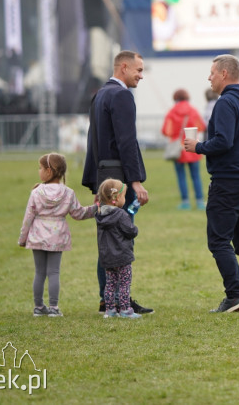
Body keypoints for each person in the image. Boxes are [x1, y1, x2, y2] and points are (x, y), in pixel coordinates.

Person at [184, 54, 239, 313]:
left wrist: (198, 146)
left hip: (228, 181)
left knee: (218, 241)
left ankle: (235, 296)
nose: (209, 77)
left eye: (212, 72)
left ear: (225, 74)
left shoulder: (226, 103)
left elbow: (224, 141)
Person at [81, 50, 152, 314]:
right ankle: (121, 300)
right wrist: (135, 182)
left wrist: (95, 183)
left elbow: (93, 142)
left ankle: (106, 299)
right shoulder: (122, 95)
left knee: (106, 239)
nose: (141, 76)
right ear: (123, 67)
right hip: (120, 179)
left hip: (103, 177)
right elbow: (126, 142)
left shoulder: (99, 95)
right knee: (121, 239)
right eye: (139, 70)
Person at [18, 152, 97, 317]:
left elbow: (28, 217)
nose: (38, 171)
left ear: (49, 171)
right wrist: (96, 208)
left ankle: (38, 307)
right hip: (58, 237)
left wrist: (23, 238)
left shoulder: (36, 193)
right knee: (54, 272)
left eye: (40, 168)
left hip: (37, 236)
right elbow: (79, 213)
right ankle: (54, 308)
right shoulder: (68, 193)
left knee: (39, 272)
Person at [96, 179, 141, 319]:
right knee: (124, 284)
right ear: (116, 198)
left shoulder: (99, 214)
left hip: (107, 257)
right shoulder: (121, 215)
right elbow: (131, 231)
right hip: (122, 256)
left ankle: (110, 310)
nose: (124, 200)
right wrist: (134, 226)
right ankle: (125, 310)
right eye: (123, 197)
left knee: (110, 284)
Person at [162, 89, 207, 210]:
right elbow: (202, 127)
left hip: (178, 150)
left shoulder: (171, 112)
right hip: (193, 147)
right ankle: (199, 201)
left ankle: (185, 202)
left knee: (181, 176)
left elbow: (166, 131)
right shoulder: (193, 111)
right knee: (196, 176)